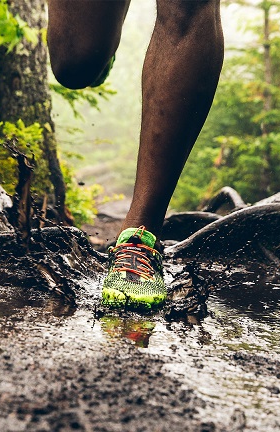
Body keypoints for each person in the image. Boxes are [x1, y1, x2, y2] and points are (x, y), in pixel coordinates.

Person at [47, 0, 224, 310]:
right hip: (78, 59)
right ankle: (101, 52)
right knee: (74, 61)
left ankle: (141, 235)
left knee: (188, 6)